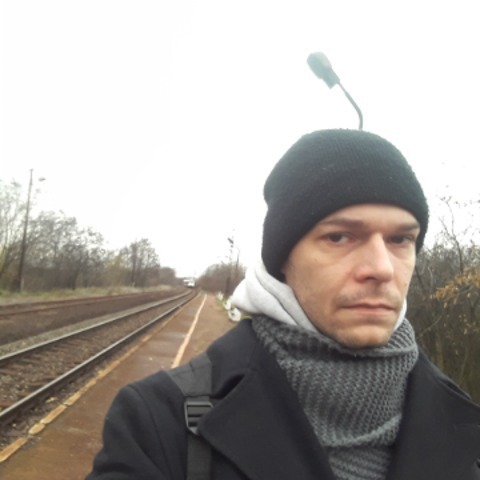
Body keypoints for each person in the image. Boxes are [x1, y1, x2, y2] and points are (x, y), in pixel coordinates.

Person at [87, 129, 480, 480]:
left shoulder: (465, 424)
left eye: (400, 240)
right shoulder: (159, 424)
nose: (382, 268)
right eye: (340, 237)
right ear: (282, 261)